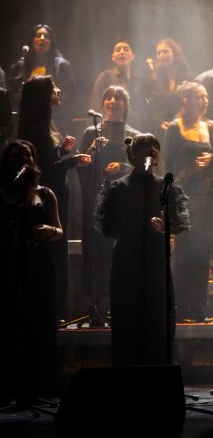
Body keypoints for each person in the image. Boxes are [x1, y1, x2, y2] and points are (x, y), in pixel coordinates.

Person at [97, 133, 189, 365]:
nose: (151, 150)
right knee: (127, 320)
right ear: (133, 154)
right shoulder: (118, 187)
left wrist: (164, 226)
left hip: (156, 262)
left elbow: (179, 223)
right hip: (127, 262)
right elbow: (107, 227)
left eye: (154, 146)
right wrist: (135, 224)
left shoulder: (165, 186)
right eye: (145, 146)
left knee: (158, 319)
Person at [18, 75, 90, 319]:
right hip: (48, 195)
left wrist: (61, 150)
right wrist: (73, 160)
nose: (58, 91)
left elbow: (48, 159)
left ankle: (55, 309)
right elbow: (45, 169)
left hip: (56, 191)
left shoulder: (44, 123)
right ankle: (52, 310)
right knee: (53, 247)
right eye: (53, 88)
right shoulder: (36, 127)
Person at [0, 140, 63, 404]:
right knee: (11, 322)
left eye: (27, 154)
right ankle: (10, 385)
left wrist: (50, 231)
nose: (23, 159)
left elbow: (59, 231)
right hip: (9, 264)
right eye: (17, 155)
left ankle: (39, 385)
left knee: (40, 321)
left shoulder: (44, 194)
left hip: (38, 264)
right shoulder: (3, 193)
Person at [77, 86, 139, 325]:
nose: (113, 101)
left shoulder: (133, 135)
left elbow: (143, 170)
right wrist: (92, 151)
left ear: (126, 104)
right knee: (95, 255)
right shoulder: (91, 132)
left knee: (119, 255)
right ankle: (94, 305)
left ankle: (119, 305)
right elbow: (80, 166)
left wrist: (123, 167)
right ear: (102, 104)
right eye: (109, 98)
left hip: (122, 205)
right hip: (97, 202)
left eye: (118, 98)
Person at [163, 82, 213, 322]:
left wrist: (212, 159)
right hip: (184, 194)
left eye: (206, 97)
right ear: (186, 100)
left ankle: (199, 307)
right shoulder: (174, 128)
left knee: (202, 252)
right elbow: (167, 166)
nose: (205, 101)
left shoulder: (209, 126)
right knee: (184, 252)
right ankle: (181, 307)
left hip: (206, 196)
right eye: (199, 97)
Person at [7, 24, 77, 124]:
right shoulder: (19, 67)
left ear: (51, 42)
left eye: (46, 36)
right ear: (32, 40)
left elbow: (70, 94)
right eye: (38, 35)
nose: (42, 38)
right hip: (26, 119)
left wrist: (54, 102)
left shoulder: (62, 66)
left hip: (54, 120)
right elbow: (11, 94)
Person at [90, 38, 146, 130]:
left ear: (133, 56)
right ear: (113, 57)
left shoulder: (139, 80)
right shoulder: (105, 77)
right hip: (111, 130)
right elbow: (95, 106)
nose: (122, 52)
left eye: (126, 49)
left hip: (136, 129)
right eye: (118, 50)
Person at [144, 38, 192, 134]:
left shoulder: (188, 77)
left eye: (165, 52)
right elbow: (149, 109)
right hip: (160, 131)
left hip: (185, 128)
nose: (161, 55)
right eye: (158, 53)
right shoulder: (153, 81)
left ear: (175, 53)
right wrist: (159, 122)